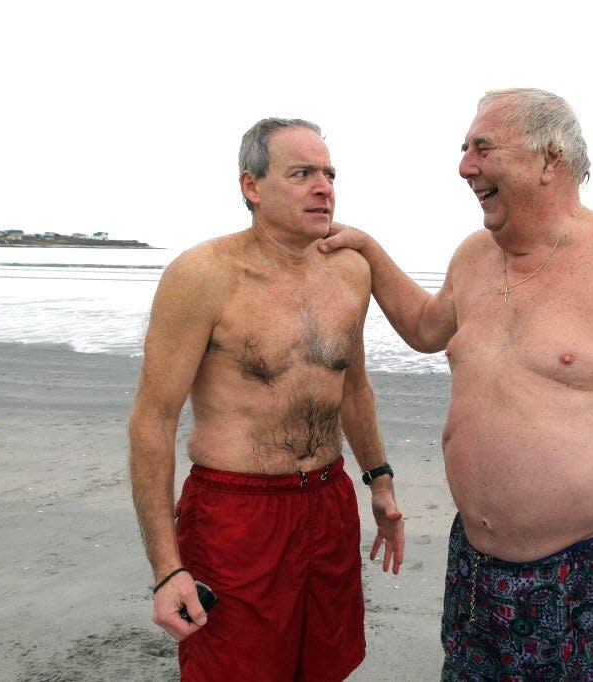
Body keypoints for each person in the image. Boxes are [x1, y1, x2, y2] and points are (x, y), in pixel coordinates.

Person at [319, 88, 593, 680]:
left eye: (482, 148)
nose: (464, 166)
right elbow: (428, 328)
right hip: (477, 571)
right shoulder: (474, 256)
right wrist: (370, 253)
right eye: (463, 149)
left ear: (548, 159)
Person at [128, 117, 404, 682]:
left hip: (327, 503)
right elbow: (153, 421)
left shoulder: (351, 271)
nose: (324, 187)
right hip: (236, 513)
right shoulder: (203, 274)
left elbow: (352, 387)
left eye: (329, 173)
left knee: (326, 664)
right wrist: (166, 568)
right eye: (302, 173)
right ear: (251, 186)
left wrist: (380, 480)